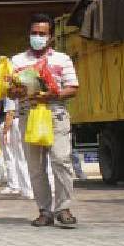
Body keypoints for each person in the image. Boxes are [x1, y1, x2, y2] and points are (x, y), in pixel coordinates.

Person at [9, 14, 81, 228]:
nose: (37, 37)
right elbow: (10, 92)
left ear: (50, 37)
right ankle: (44, 210)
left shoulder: (62, 59)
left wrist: (52, 95)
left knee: (61, 160)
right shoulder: (17, 61)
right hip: (28, 114)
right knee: (35, 166)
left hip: (55, 113)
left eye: (42, 34)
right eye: (34, 33)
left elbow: (73, 88)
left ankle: (64, 208)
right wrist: (17, 90)